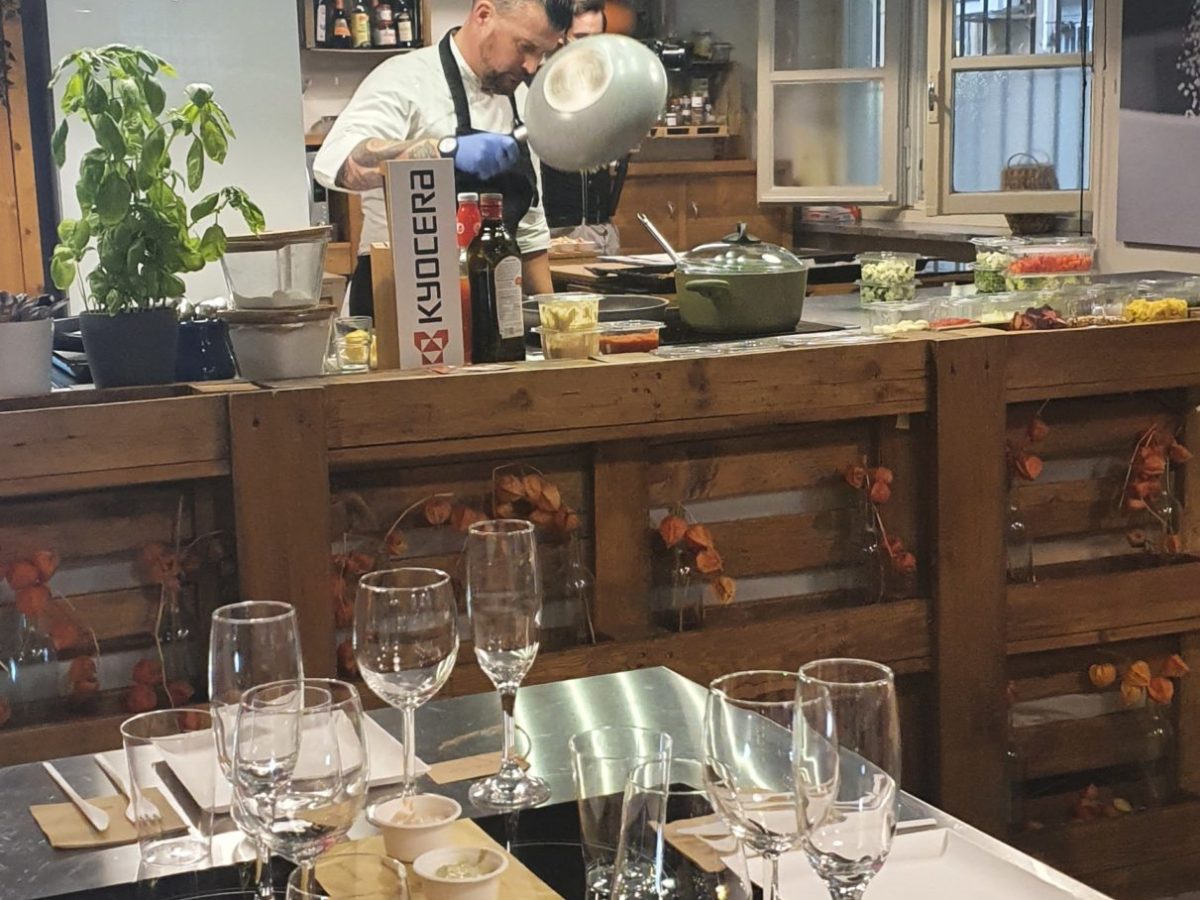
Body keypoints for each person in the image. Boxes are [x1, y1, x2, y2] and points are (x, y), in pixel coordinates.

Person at [312, 0, 575, 317]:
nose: (531, 66)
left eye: (542, 54)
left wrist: (551, 319)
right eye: (525, 47)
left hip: (489, 309)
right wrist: (445, 150)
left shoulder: (519, 97)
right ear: (483, 14)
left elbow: (530, 229)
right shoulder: (406, 79)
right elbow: (337, 162)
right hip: (399, 305)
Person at [537, 0, 627, 255]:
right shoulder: (537, 88)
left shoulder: (605, 87)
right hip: (556, 232)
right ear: (560, 38)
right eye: (581, 37)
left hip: (602, 229)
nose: (590, 47)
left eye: (597, 38)